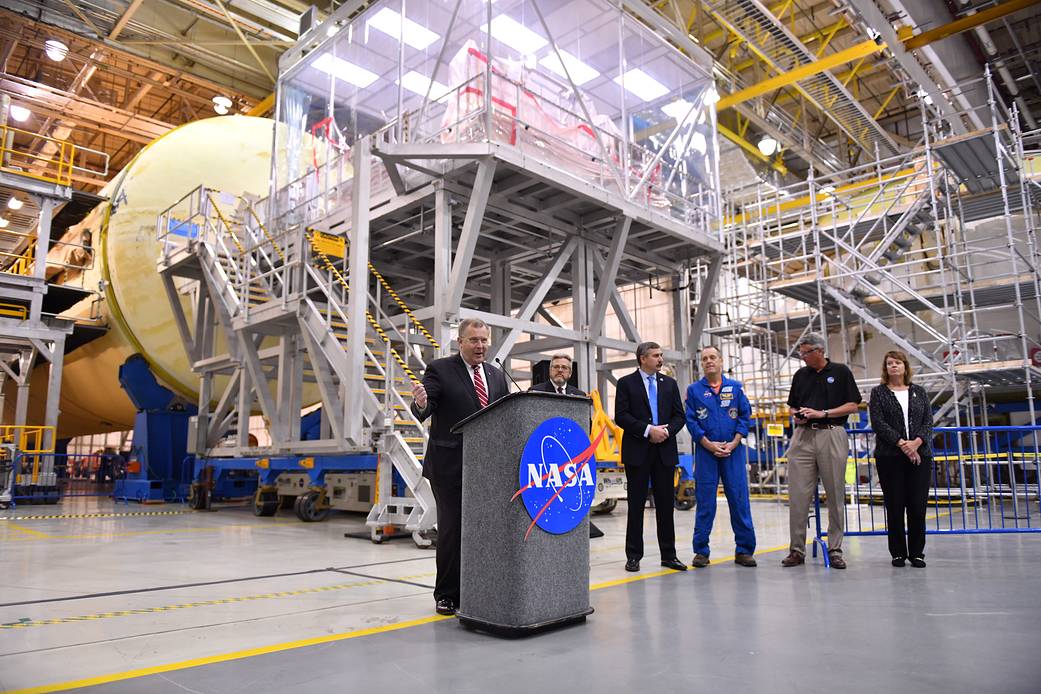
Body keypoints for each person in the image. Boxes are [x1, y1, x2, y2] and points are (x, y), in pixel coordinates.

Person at [411, 318, 509, 615]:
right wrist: (420, 403)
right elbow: (426, 406)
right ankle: (447, 594)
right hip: (450, 466)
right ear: (460, 342)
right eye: (474, 340)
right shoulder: (440, 369)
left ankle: (477, 588)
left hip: (486, 467)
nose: (480, 346)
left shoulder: (496, 374)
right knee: (453, 530)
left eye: (484, 341)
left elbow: (504, 415)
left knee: (484, 530)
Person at [782, 333, 862, 570]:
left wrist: (823, 413)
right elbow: (792, 405)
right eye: (801, 353)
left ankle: (835, 549)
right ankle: (797, 550)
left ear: (818, 351)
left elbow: (852, 404)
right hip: (803, 436)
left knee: (835, 493)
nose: (802, 357)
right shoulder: (800, 375)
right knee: (798, 496)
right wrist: (797, 414)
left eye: (805, 353)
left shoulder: (840, 372)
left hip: (831, 432)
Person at [615, 341, 687, 573]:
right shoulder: (626, 383)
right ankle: (633, 556)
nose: (660, 359)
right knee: (635, 505)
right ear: (642, 358)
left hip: (664, 450)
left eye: (661, 355)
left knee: (666, 505)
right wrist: (648, 431)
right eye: (655, 355)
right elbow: (621, 416)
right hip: (638, 450)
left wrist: (665, 431)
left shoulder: (670, 384)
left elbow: (679, 416)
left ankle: (669, 555)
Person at [684, 346, 757, 568]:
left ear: (721, 361)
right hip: (707, 454)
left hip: (733, 453)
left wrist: (735, 442)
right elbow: (691, 421)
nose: (708, 361)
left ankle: (744, 550)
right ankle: (701, 552)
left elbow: (745, 416)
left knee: (739, 500)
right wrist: (707, 443)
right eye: (704, 359)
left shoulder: (735, 388)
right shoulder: (694, 390)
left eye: (712, 357)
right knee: (705, 503)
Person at [868, 350, 934, 568]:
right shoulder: (879, 393)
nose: (893, 366)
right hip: (890, 457)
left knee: (917, 506)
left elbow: (927, 421)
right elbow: (878, 422)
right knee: (895, 506)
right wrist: (902, 444)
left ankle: (917, 553)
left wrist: (916, 443)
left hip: (920, 455)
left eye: (897, 362)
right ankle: (897, 553)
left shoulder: (920, 392)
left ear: (905, 367)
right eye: (889, 363)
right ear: (885, 369)